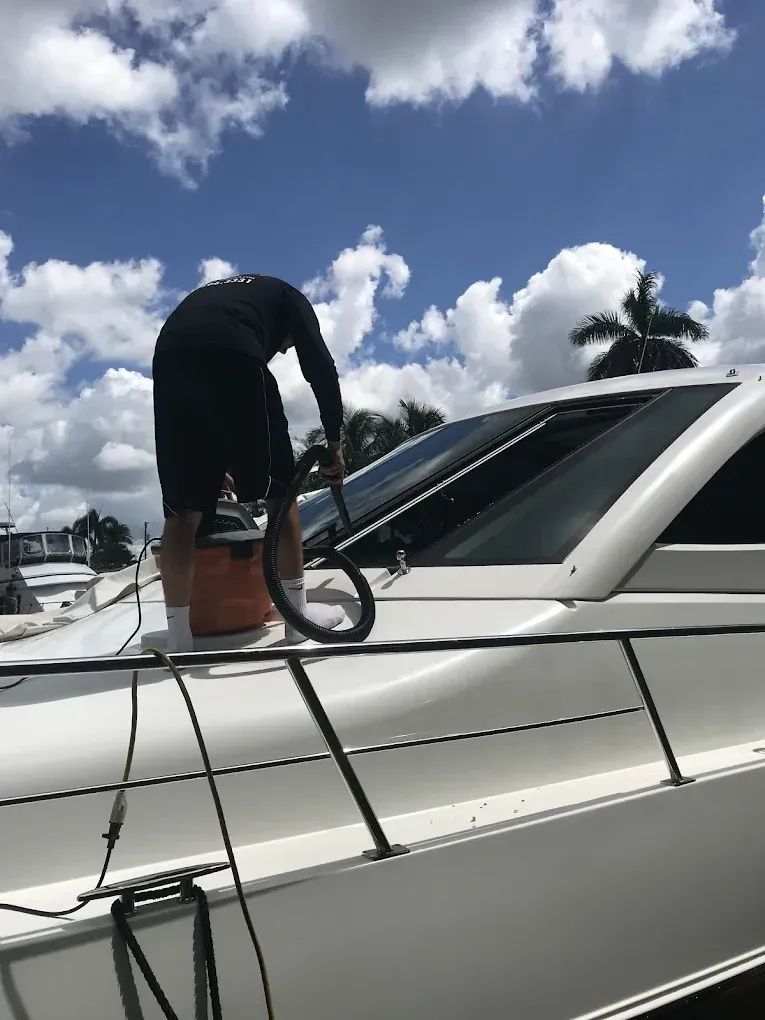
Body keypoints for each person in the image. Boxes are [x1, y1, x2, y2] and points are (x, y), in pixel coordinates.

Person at [152, 273, 347, 652]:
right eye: (289, 344)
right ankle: (298, 621)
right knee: (282, 495)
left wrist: (218, 463)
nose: (286, 351)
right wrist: (334, 442)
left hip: (170, 355)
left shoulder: (234, 295)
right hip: (233, 347)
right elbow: (321, 368)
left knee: (181, 511)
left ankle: (179, 639)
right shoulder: (291, 297)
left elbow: (209, 389)